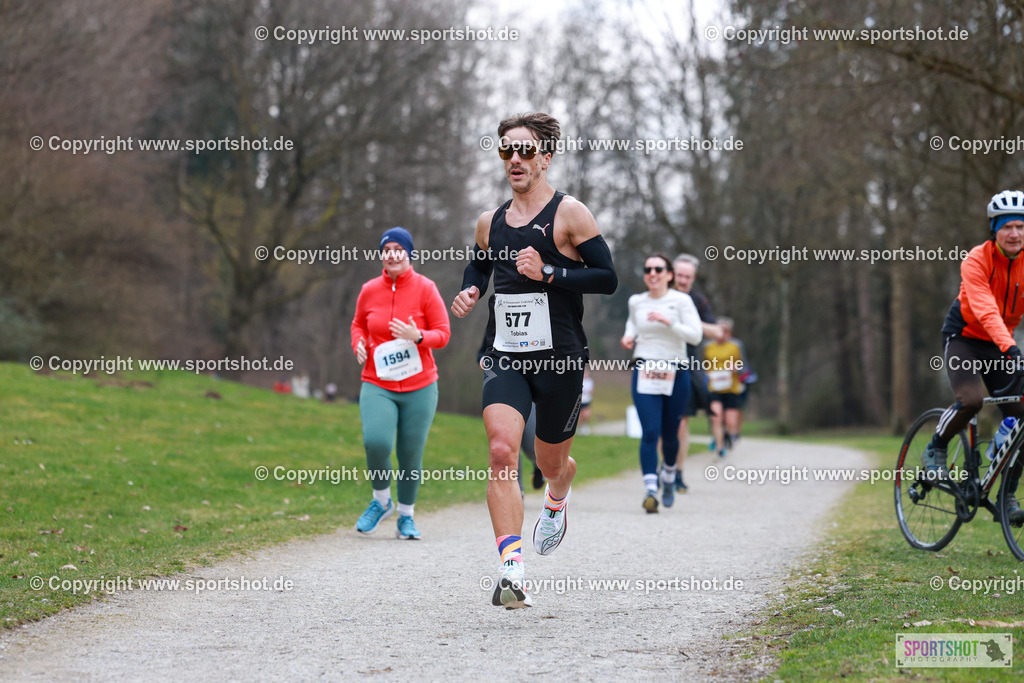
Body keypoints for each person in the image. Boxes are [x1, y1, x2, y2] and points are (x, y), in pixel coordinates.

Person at [451, 112, 617, 609]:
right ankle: (511, 570)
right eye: (506, 151)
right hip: (506, 356)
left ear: (545, 158)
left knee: (551, 463)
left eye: (525, 151)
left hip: (561, 359)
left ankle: (557, 497)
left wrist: (549, 271)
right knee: (502, 451)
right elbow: (479, 263)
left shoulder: (571, 215)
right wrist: (470, 289)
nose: (515, 159)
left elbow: (607, 277)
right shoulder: (491, 221)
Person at [925, 190, 1024, 522]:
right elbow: (985, 310)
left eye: (1021, 227)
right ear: (994, 230)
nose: (1014, 234)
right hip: (965, 338)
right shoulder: (976, 260)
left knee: (1023, 416)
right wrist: (1009, 347)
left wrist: (1006, 346)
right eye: (1007, 227)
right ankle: (936, 445)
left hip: (1000, 343)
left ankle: (1007, 495)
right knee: (971, 400)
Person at [350, 227, 451, 540]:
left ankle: (406, 515)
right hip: (378, 382)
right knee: (376, 442)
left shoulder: (425, 288)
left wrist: (418, 336)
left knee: (410, 453)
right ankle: (381, 500)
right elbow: (357, 324)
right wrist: (359, 343)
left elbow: (443, 333)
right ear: (382, 255)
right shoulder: (369, 289)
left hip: (420, 385)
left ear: (409, 254)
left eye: (398, 248)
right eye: (387, 249)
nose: (392, 254)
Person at [621, 253, 702, 512]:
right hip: (645, 369)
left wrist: (671, 322)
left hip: (676, 370)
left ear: (669, 274)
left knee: (670, 434)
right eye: (647, 269)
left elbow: (696, 336)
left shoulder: (681, 301)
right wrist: (628, 337)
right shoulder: (637, 301)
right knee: (650, 431)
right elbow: (632, 324)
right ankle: (651, 489)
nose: (652, 274)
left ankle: (668, 475)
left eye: (658, 269)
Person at [672, 254, 723, 490]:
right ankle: (665, 469)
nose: (683, 280)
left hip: (687, 365)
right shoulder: (660, 293)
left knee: (681, 422)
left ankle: (678, 473)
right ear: (672, 273)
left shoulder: (698, 301)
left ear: (693, 278)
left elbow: (716, 332)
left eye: (688, 277)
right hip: (659, 363)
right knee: (664, 424)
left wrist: (689, 320)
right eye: (680, 275)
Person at [703, 317, 744, 458]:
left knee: (730, 421)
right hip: (714, 387)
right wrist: (706, 373)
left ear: (729, 333)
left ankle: (726, 434)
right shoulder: (708, 347)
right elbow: (702, 364)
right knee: (716, 418)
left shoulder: (735, 346)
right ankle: (720, 447)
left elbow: (742, 366)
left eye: (725, 331)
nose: (721, 334)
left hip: (731, 388)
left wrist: (735, 368)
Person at [578, 369, 594, 435]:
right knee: (580, 415)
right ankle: (580, 427)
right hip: (579, 400)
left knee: (586, 414)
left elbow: (591, 391)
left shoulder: (589, 381)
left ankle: (585, 426)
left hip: (586, 400)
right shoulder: (579, 380)